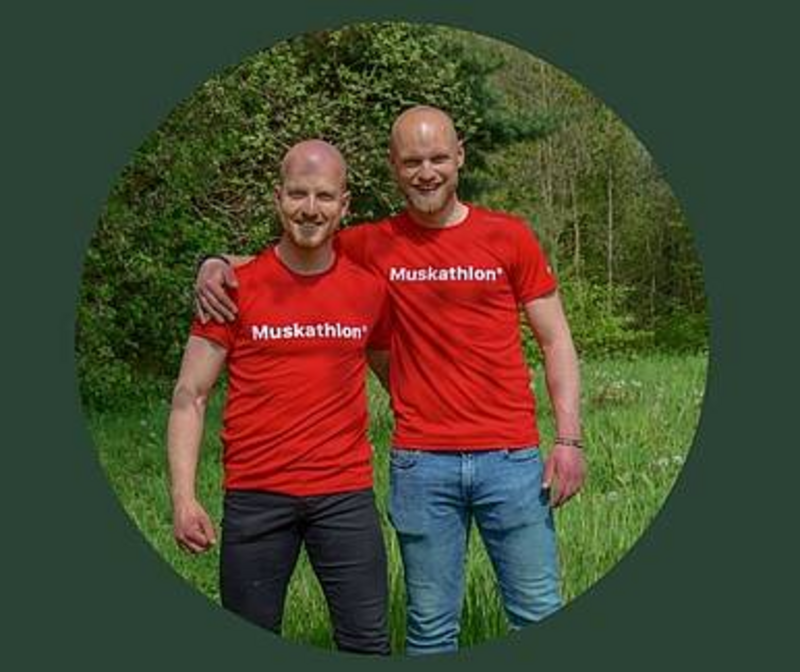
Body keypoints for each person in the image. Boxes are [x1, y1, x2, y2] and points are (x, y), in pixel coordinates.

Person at [196, 106, 586, 655]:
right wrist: (215, 262)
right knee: (429, 631)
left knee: (539, 611)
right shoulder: (370, 244)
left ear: (459, 157)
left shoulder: (509, 236)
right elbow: (294, 248)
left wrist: (568, 439)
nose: (426, 172)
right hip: (422, 464)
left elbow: (556, 341)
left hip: (512, 458)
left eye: (438, 158)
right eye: (411, 161)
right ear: (394, 167)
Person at [168, 140, 391, 655]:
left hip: (345, 497)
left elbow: (401, 381)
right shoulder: (232, 289)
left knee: (367, 645)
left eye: (324, 196)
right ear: (278, 198)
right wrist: (183, 498)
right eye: (297, 194)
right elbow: (189, 395)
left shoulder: (369, 291)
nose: (310, 208)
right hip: (256, 497)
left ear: (344, 205)